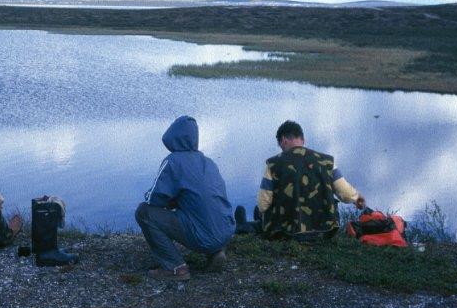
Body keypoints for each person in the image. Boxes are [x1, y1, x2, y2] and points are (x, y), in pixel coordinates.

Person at [136, 116, 235, 281]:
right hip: (225, 232)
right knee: (200, 209)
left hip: (204, 236)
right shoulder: (208, 162)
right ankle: (216, 252)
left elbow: (154, 199)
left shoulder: (173, 162)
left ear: (172, 136)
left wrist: (168, 201)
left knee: (144, 212)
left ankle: (176, 268)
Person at [235, 121, 365, 241]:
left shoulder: (273, 164)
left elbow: (263, 205)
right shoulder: (327, 162)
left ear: (284, 140)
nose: (281, 149)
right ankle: (253, 223)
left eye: (280, 145)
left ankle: (244, 225)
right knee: (260, 213)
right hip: (324, 232)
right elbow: (346, 195)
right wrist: (358, 199)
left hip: (285, 232)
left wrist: (264, 212)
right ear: (303, 139)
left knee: (259, 212)